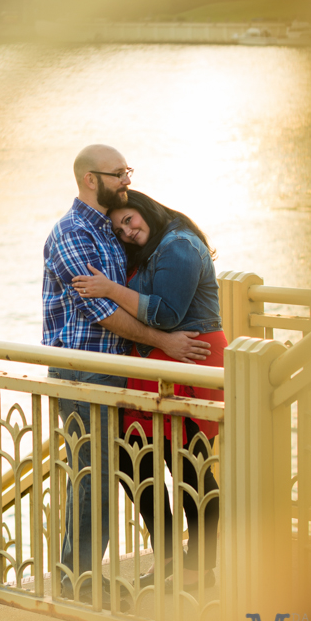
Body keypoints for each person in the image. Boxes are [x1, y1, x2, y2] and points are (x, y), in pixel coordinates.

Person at [43, 148, 212, 608]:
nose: (126, 179)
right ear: (89, 179)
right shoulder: (72, 235)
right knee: (94, 479)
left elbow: (141, 293)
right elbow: (103, 313)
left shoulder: (109, 231)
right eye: (118, 174)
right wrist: (164, 341)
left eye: (127, 173)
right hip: (87, 373)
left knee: (169, 466)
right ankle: (76, 582)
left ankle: (185, 564)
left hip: (127, 373)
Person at [71, 189, 225, 592]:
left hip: (191, 358)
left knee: (189, 466)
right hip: (155, 361)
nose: (127, 230)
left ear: (147, 210)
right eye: (119, 227)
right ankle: (171, 556)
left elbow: (167, 313)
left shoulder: (180, 246)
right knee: (135, 462)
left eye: (130, 219)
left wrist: (108, 289)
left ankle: (197, 567)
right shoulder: (156, 245)